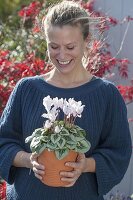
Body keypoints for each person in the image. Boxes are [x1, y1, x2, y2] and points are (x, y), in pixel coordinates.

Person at [0, 1, 132, 200]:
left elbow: (119, 152)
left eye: (70, 46)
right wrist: (29, 160)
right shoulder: (26, 89)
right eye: (54, 46)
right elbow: (3, 142)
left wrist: (86, 164)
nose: (61, 55)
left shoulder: (106, 95)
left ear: (86, 40)